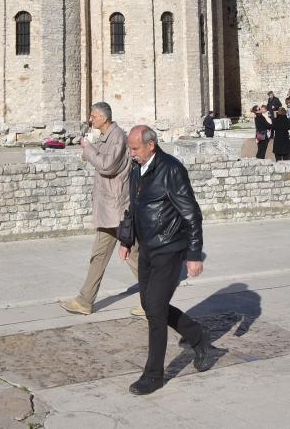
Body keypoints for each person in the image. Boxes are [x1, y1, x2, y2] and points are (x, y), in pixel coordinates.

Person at [118, 124, 213, 394]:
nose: (132, 153)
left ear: (151, 145)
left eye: (135, 149)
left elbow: (191, 214)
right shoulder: (137, 168)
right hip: (147, 248)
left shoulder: (171, 170)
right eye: (130, 149)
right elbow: (135, 206)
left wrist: (194, 255)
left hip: (169, 248)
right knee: (150, 305)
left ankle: (153, 375)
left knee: (155, 312)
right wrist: (127, 239)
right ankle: (197, 335)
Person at [61, 102, 141, 316]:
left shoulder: (118, 138)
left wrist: (88, 148)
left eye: (94, 116)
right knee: (98, 256)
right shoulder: (107, 137)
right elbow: (102, 160)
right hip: (107, 209)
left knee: (133, 256)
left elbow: (108, 165)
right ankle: (84, 301)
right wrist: (89, 149)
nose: (90, 119)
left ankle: (153, 301)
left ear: (104, 118)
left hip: (117, 209)